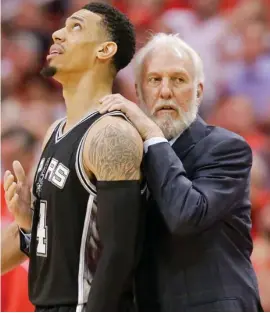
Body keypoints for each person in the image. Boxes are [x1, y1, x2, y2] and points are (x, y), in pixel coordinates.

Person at [99, 33, 263, 311]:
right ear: (138, 93)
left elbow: (186, 216)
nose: (165, 92)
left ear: (198, 91)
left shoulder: (226, 148)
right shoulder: (128, 154)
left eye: (178, 80)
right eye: (154, 80)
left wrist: (152, 134)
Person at [2, 2, 148, 311]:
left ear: (104, 50)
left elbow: (119, 253)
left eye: (76, 27)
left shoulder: (111, 134)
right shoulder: (56, 130)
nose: (57, 34)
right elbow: (47, 242)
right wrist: (30, 223)